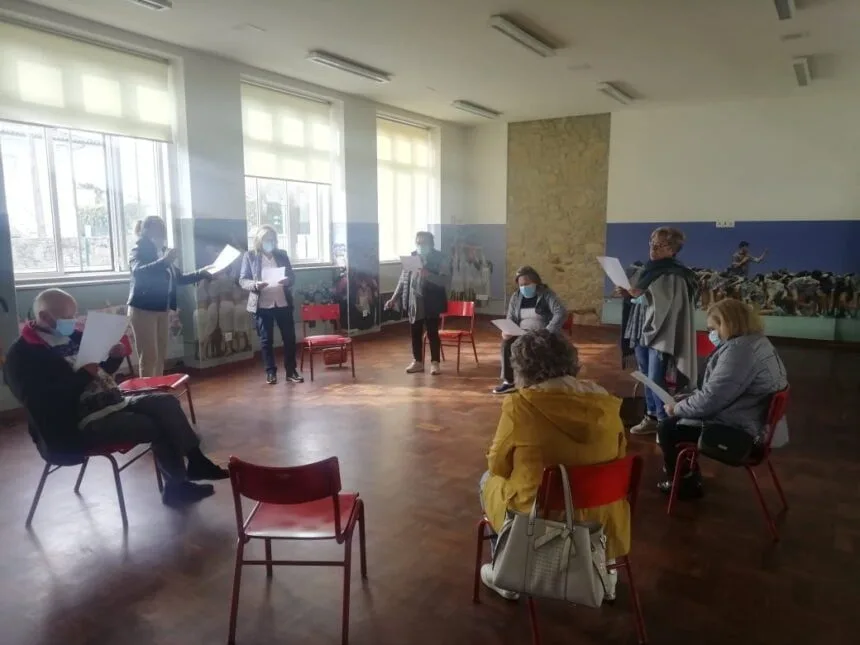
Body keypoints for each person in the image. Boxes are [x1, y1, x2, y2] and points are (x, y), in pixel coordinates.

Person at [4, 289, 227, 507]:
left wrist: (113, 358)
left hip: (112, 401)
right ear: (44, 317)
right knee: (158, 425)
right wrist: (84, 375)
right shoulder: (22, 356)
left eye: (74, 315)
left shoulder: (72, 336)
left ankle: (196, 460)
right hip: (78, 422)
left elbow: (100, 372)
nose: (73, 321)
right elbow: (43, 402)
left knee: (166, 402)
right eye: (67, 317)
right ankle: (177, 487)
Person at [479, 330, 629, 601]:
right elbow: (619, 456)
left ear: (522, 369)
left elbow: (498, 466)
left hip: (539, 517)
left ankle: (508, 574)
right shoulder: (606, 403)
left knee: (486, 480)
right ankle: (605, 575)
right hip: (602, 514)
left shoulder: (519, 406)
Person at [657, 299, 788, 499]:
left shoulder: (739, 352)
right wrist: (688, 399)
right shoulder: (758, 342)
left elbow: (711, 400)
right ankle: (687, 476)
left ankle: (684, 483)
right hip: (754, 422)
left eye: (713, 328)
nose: (711, 334)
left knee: (667, 427)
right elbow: (723, 391)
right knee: (680, 413)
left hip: (740, 432)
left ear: (727, 324)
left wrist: (677, 408)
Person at [620, 227, 698, 435]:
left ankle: (665, 423)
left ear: (672, 250)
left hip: (662, 332)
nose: (653, 248)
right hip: (641, 327)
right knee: (646, 375)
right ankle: (652, 416)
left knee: (656, 378)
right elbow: (640, 296)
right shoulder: (649, 269)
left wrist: (639, 295)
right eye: (651, 243)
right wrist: (628, 294)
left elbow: (666, 304)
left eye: (659, 245)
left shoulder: (675, 273)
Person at [127, 215, 214, 377]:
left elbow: (179, 278)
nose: (162, 232)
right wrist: (165, 261)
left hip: (162, 309)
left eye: (163, 229)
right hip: (143, 309)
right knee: (149, 356)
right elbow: (138, 272)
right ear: (146, 230)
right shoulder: (138, 250)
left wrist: (202, 272)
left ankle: (158, 389)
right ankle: (148, 391)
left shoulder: (162, 251)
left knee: (160, 355)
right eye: (158, 229)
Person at [239, 225, 303, 385]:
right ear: (259, 240)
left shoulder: (282, 254)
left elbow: (292, 276)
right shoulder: (250, 256)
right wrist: (255, 284)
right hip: (262, 305)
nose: (270, 242)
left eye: (273, 239)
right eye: (267, 239)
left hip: (282, 302)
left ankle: (291, 371)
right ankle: (270, 372)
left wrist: (288, 280)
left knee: (289, 338)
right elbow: (243, 280)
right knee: (266, 340)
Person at [493, 266, 567, 395]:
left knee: (536, 347)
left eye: (527, 284)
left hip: (542, 332)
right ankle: (509, 382)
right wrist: (507, 331)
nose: (523, 288)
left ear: (536, 282)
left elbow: (560, 312)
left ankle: (538, 382)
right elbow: (511, 318)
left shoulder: (546, 294)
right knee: (507, 344)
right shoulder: (516, 297)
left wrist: (548, 331)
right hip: (521, 332)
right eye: (521, 285)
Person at [384, 231, 449, 375]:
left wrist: (429, 275)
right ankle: (417, 361)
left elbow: (444, 280)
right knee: (415, 332)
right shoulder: (412, 258)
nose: (420, 245)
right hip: (414, 301)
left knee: (432, 333)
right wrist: (393, 298)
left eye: (423, 242)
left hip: (432, 301)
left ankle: (435, 362)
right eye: (418, 242)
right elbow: (403, 280)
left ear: (431, 243)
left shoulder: (440, 258)